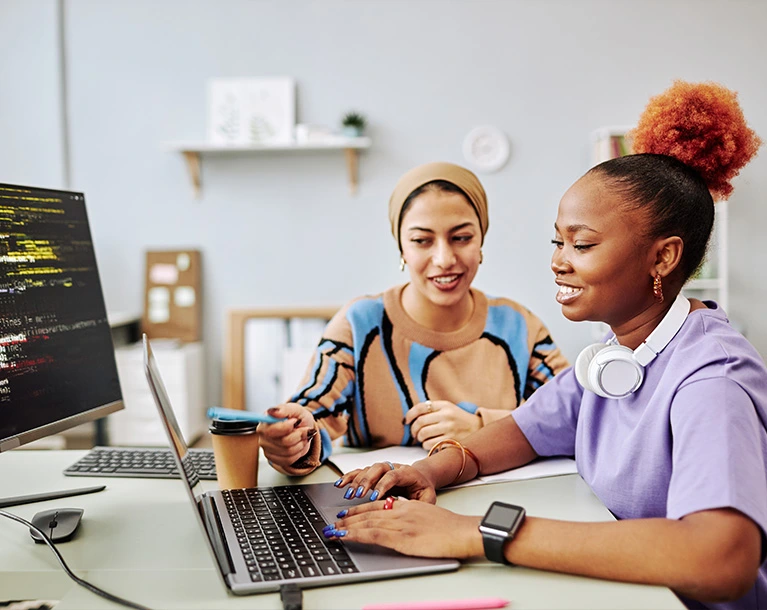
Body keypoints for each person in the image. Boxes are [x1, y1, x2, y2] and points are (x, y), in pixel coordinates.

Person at [325, 81, 766, 610]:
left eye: (581, 244)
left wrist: (474, 532)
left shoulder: (711, 381)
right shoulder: (618, 353)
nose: (559, 260)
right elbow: (521, 433)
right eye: (557, 241)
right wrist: (425, 472)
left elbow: (721, 560)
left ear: (664, 258)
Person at [258, 162, 569, 476]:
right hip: (379, 509)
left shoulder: (519, 326)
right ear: (402, 248)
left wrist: (481, 427)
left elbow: (580, 422)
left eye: (461, 238)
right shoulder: (360, 324)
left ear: (481, 240)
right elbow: (311, 419)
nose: (445, 259)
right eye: (422, 241)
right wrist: (291, 442)